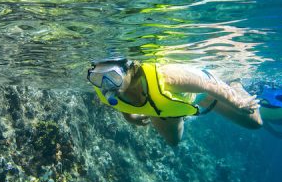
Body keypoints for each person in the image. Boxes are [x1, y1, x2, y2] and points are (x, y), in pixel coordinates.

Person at [87, 57, 264, 146]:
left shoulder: (167, 77)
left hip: (203, 93)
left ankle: (234, 82)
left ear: (130, 69)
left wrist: (238, 103)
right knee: (173, 142)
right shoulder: (109, 88)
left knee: (255, 123)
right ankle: (178, 111)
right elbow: (119, 101)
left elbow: (209, 85)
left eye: (113, 77)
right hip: (165, 106)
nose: (106, 84)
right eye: (97, 78)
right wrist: (130, 117)